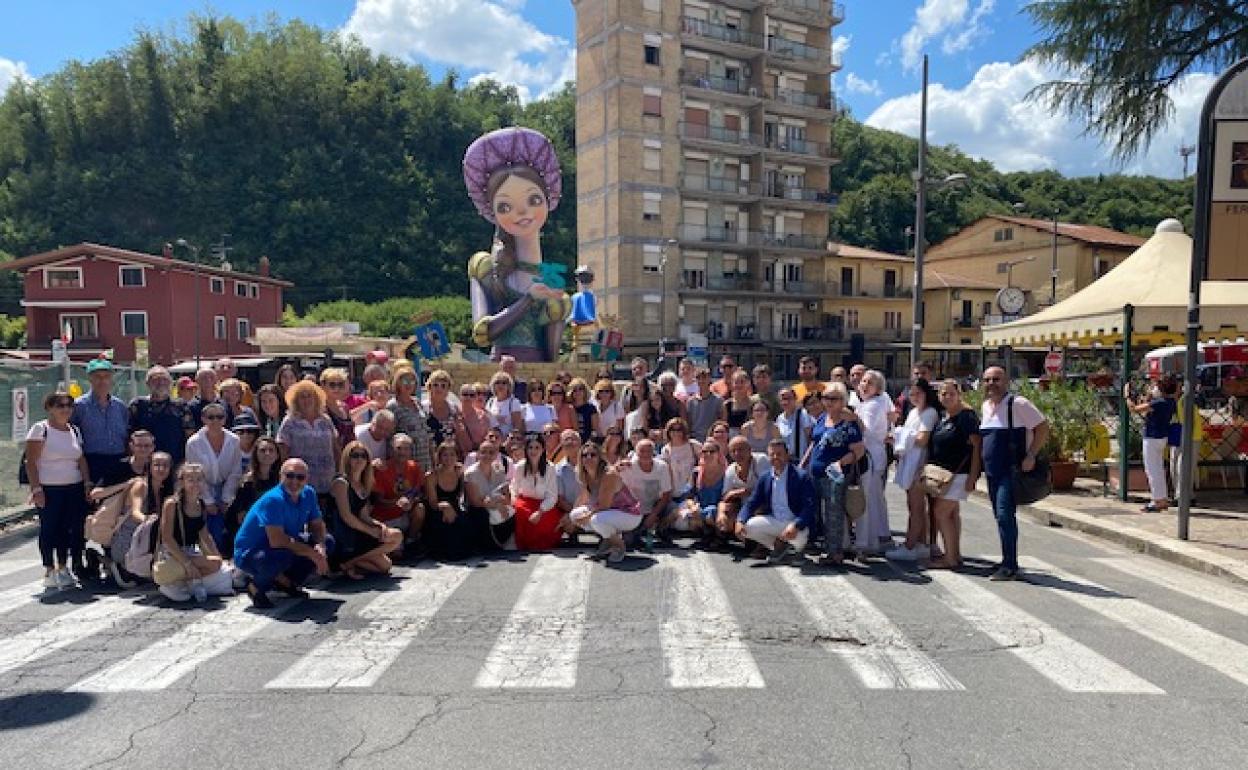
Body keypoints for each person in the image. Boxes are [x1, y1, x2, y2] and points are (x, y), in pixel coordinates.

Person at [463, 127, 572, 362]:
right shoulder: (486, 269)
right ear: (492, 211)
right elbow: (485, 332)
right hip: (502, 371)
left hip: (539, 381)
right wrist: (528, 299)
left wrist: (556, 316)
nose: (523, 212)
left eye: (534, 200)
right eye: (505, 207)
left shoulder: (551, 276)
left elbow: (551, 354)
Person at [979, 366, 1050, 581]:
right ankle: (1006, 559)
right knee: (1000, 516)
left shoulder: (1018, 404)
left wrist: (1031, 455)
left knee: (1004, 515)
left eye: (997, 379)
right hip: (992, 472)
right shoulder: (985, 406)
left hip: (1010, 471)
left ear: (1007, 381)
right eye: (988, 379)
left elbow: (1043, 427)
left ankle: (1010, 565)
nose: (992, 383)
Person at [234, 458, 334, 608]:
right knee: (283, 555)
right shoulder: (273, 500)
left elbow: (317, 525)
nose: (295, 481)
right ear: (281, 476)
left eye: (300, 477)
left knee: (328, 541)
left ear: (307, 479)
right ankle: (255, 587)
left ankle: (284, 581)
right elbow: (277, 540)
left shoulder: (309, 493)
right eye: (290, 475)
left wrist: (320, 546)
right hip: (252, 551)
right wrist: (312, 554)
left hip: (282, 543)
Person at [26, 391, 91, 589]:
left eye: (68, 406)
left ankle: (63, 567)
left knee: (66, 528)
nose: (65, 410)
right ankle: (49, 569)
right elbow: (31, 462)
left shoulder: (75, 431)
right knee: (49, 528)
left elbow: (80, 459)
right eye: (59, 405)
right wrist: (36, 489)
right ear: (50, 408)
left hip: (73, 487)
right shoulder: (40, 429)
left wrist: (87, 482)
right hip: (49, 488)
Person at [803, 384, 865, 566]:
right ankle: (822, 545)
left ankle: (835, 553)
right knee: (817, 511)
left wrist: (840, 463)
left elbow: (859, 450)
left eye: (834, 398)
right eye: (826, 398)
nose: (828, 402)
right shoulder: (822, 418)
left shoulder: (848, 423)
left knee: (833, 513)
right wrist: (803, 464)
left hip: (835, 475)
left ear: (843, 401)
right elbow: (815, 443)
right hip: (815, 472)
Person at [156, 463, 235, 602]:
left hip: (191, 551)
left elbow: (205, 536)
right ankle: (173, 583)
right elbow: (167, 538)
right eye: (190, 480)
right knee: (201, 567)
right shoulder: (172, 504)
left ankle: (181, 584)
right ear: (182, 482)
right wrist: (187, 563)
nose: (195, 484)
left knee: (216, 563)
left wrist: (217, 557)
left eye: (199, 479)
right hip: (172, 553)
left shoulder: (201, 505)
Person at [925, 380, 981, 569]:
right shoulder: (944, 416)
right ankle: (954, 555)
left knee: (941, 512)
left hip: (959, 474)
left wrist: (973, 476)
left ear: (959, 395)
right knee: (951, 514)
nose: (947, 397)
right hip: (943, 475)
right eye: (943, 394)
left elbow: (977, 446)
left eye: (951, 393)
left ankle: (949, 558)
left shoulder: (966, 417)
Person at [887, 378, 941, 562]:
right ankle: (919, 543)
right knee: (913, 504)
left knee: (916, 506)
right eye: (912, 394)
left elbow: (922, 440)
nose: (915, 397)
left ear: (926, 394)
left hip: (919, 463)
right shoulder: (913, 413)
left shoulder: (929, 413)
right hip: (909, 461)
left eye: (918, 393)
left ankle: (910, 545)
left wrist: (902, 435)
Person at [738, 441, 817, 564]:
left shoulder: (801, 476)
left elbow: (809, 507)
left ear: (787, 455)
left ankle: (799, 550)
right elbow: (751, 502)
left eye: (779, 454)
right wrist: (740, 520)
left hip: (795, 523)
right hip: (775, 520)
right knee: (748, 527)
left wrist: (796, 524)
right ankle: (779, 546)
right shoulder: (765, 478)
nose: (775, 457)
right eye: (772, 454)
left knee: (799, 537)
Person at [331, 442, 403, 578]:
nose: (359, 459)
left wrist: (379, 525)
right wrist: (370, 531)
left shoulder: (363, 484)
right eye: (355, 456)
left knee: (386, 565)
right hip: (346, 534)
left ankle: (349, 564)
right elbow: (346, 516)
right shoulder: (341, 482)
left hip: (359, 530)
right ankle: (346, 562)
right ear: (347, 458)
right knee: (394, 540)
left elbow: (364, 515)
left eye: (363, 456)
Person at [570, 443, 642, 564]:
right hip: (610, 513)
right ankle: (608, 540)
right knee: (575, 515)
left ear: (600, 457)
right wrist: (571, 517)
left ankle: (619, 545)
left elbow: (604, 505)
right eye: (584, 455)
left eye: (592, 455)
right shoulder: (583, 474)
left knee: (596, 520)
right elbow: (585, 497)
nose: (588, 458)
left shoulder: (609, 474)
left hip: (629, 514)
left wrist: (587, 516)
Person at [185, 402, 243, 550]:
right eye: (211, 417)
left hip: (228, 487)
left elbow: (235, 472)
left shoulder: (234, 440)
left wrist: (226, 498)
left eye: (220, 417)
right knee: (210, 529)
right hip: (201, 489)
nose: (215, 421)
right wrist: (208, 501)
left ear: (225, 419)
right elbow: (195, 474)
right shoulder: (193, 443)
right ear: (203, 419)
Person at [277, 380, 341, 507]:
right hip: (301, 481)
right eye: (302, 397)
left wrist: (339, 473)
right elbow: (282, 451)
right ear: (296, 400)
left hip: (327, 479)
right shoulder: (290, 421)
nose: (306, 400)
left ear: (316, 398)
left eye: (309, 396)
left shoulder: (325, 420)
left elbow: (335, 448)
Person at [855, 370, 895, 555]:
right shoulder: (874, 402)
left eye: (869, 383)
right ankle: (881, 536)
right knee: (876, 499)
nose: (864, 385)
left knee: (870, 500)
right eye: (863, 381)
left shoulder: (872, 406)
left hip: (870, 457)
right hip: (875, 456)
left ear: (878, 388)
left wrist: (852, 418)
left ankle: (871, 541)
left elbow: (867, 431)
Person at [72, 357, 129, 485]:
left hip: (118, 461)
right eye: (98, 376)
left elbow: (126, 435)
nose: (102, 381)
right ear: (90, 379)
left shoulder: (120, 406)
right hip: (92, 462)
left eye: (106, 376)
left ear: (111, 379)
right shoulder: (79, 406)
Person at [224, 436, 281, 561]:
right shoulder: (247, 482)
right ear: (255, 454)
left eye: (271, 450)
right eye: (263, 450)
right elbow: (241, 518)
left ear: (277, 455)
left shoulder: (280, 481)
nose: (267, 453)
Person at [1128, 377, 1178, 512]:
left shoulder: (1159, 403)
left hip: (1152, 438)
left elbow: (1134, 409)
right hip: (1162, 437)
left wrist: (1126, 396)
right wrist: (1149, 396)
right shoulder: (1171, 402)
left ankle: (1158, 500)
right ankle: (1162, 497)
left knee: (1152, 470)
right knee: (1158, 469)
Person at [373, 433, 428, 555]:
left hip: (406, 515)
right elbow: (378, 500)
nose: (402, 452)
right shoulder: (383, 469)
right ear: (392, 449)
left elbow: (419, 493)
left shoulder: (414, 467)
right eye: (399, 448)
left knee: (420, 509)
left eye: (406, 449)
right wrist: (396, 503)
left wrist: (412, 501)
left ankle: (411, 540)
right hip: (386, 517)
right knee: (397, 555)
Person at [129, 366, 195, 466]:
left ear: (170, 383)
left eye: (165, 379)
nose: (161, 383)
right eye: (156, 380)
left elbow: (189, 435)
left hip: (174, 463)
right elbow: (129, 434)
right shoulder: (138, 405)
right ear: (147, 384)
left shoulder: (181, 406)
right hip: (144, 465)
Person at [618, 439, 674, 548]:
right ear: (636, 452)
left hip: (656, 506)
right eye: (642, 451)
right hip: (634, 508)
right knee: (629, 542)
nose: (645, 454)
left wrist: (654, 514)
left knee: (673, 510)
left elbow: (666, 493)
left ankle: (661, 530)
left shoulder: (662, 467)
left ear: (653, 452)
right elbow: (620, 490)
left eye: (649, 451)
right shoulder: (628, 467)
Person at [510, 435, 562, 551]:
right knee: (520, 511)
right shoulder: (519, 467)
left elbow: (552, 495)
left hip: (544, 504)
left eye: (537, 447)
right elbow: (514, 488)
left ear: (543, 449)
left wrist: (540, 511)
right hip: (525, 503)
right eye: (530, 447)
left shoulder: (550, 468)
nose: (533, 451)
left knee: (546, 521)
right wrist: (513, 502)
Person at [715, 436, 766, 547]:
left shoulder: (761, 461)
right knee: (723, 507)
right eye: (734, 451)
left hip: (763, 504)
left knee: (758, 509)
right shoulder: (730, 470)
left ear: (750, 450)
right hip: (742, 505)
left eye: (741, 449)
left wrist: (747, 492)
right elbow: (725, 496)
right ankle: (723, 533)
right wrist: (739, 492)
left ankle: (761, 544)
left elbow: (766, 489)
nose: (738, 453)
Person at [464, 439, 514, 551]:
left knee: (513, 511)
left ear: (496, 454)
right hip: (479, 508)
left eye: (491, 452)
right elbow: (475, 502)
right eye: (483, 452)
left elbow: (507, 495)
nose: (487, 455)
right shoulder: (470, 473)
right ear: (478, 454)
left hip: (495, 503)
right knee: (482, 515)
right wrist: (497, 505)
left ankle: (505, 543)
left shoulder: (499, 469)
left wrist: (501, 502)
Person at [387, 365, 434, 470]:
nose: (408, 384)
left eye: (412, 381)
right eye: (405, 381)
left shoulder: (417, 402)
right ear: (398, 383)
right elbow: (389, 437)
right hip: (407, 461)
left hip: (425, 458)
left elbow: (425, 431)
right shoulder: (392, 406)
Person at [553, 430, 585, 544]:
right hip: (569, 509)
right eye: (566, 440)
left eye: (573, 439)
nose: (570, 442)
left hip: (591, 507)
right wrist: (575, 513)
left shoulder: (591, 463)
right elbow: (560, 499)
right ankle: (573, 532)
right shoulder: (557, 469)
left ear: (581, 443)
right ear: (561, 445)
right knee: (568, 522)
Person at [660, 418, 701, 502]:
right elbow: (666, 473)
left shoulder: (693, 445)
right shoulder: (666, 450)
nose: (676, 432)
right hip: (674, 492)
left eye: (679, 429)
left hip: (692, 491)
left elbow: (704, 462)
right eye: (672, 429)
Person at [320, 368, 358, 448]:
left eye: (340, 385)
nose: (337, 389)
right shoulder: (321, 409)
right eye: (332, 385)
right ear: (323, 386)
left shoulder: (344, 407)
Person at [776, 387, 813, 464]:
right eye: (783, 399)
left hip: (803, 461)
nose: (785, 402)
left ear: (795, 399)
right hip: (787, 462)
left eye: (788, 398)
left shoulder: (803, 414)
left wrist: (805, 461)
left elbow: (811, 439)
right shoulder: (779, 419)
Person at [685, 368, 724, 442]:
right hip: (694, 439)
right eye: (698, 378)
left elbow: (722, 420)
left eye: (704, 378)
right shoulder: (690, 401)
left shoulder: (718, 400)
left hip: (712, 438)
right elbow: (688, 422)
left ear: (709, 379)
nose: (701, 381)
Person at [485, 371, 525, 437]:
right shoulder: (490, 402)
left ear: (509, 386)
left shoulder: (514, 402)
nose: (500, 385)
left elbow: (517, 427)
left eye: (504, 383)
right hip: (493, 440)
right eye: (497, 383)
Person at [722, 370, 759, 436]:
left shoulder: (754, 403)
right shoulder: (727, 404)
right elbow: (724, 425)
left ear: (748, 383)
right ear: (732, 384)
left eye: (742, 382)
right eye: (736, 382)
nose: (739, 385)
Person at [459, 382, 493, 448]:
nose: (468, 397)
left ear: (475, 397)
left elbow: (487, 438)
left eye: (472, 395)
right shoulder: (454, 414)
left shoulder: (483, 416)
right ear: (460, 396)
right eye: (465, 394)